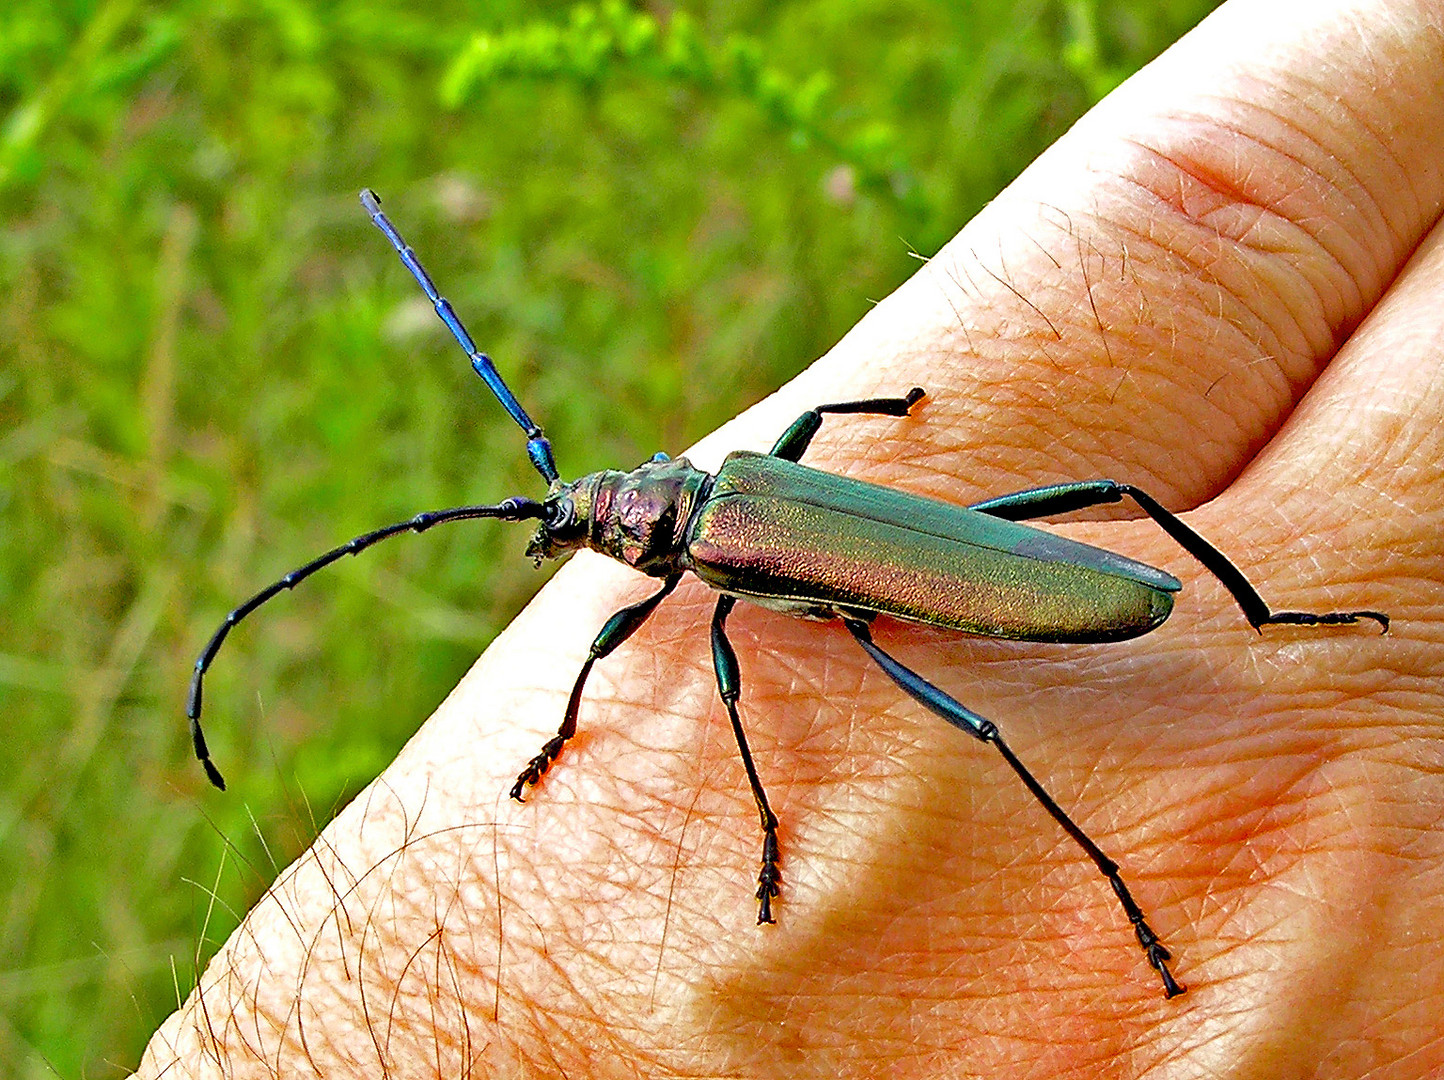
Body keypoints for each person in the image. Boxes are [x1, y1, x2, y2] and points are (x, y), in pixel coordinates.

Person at [137, 0, 1444, 1073]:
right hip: (971, 572)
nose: (582, 538)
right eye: (580, 520)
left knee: (983, 716)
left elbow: (735, 695)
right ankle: (1264, 626)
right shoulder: (748, 480)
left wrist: (762, 824)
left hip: (1014, 594)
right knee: (1102, 499)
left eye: (585, 524)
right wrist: (899, 412)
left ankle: (1140, 858)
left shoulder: (719, 557)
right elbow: (827, 415)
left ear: (632, 533)